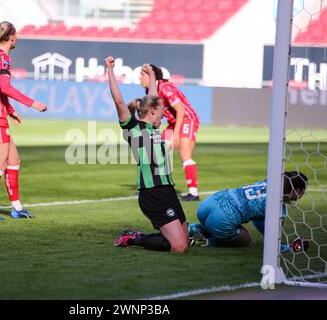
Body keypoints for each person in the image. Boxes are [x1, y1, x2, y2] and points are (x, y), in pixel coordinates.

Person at [106, 56, 188, 253]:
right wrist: (110, 70)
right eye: (160, 111)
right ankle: (134, 238)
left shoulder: (153, 127)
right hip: (152, 193)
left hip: (168, 189)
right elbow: (118, 100)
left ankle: (161, 234)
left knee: (184, 239)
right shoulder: (133, 128)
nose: (164, 114)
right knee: (179, 247)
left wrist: (152, 75)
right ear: (151, 112)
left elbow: (153, 96)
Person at [0, 21, 47, 221]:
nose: (18, 38)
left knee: (13, 161)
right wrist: (32, 103)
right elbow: (5, 88)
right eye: (17, 35)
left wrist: (11, 109)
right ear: (11, 36)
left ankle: (17, 208)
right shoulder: (3, 58)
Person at [188, 171, 310, 252]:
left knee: (213, 226)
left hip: (208, 204)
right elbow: (272, 238)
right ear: (298, 190)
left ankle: (189, 229)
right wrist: (289, 248)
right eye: (303, 190)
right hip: (221, 220)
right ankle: (203, 242)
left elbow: (257, 218)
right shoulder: (277, 205)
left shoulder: (264, 183)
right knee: (245, 239)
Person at [140, 65, 200, 201]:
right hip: (174, 123)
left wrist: (177, 134)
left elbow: (180, 111)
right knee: (156, 151)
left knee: (185, 153)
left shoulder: (164, 88)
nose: (139, 78)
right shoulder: (150, 91)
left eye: (142, 75)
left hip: (187, 119)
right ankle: (153, 189)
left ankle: (193, 193)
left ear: (151, 76)